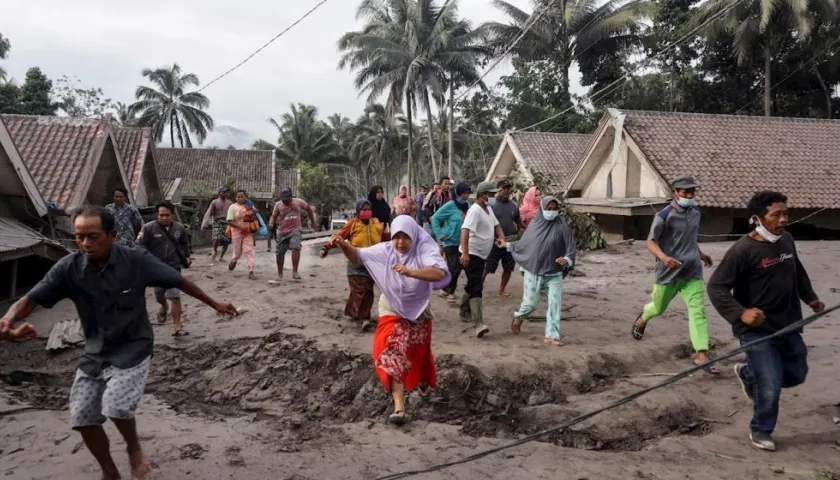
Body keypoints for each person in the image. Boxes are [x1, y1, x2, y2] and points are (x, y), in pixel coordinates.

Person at [0, 206, 237, 480]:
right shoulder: (69, 268)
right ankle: (109, 471)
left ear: (112, 234)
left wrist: (215, 303)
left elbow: (179, 281)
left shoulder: (136, 261)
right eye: (79, 237)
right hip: (96, 350)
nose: (86, 244)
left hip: (134, 347)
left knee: (115, 404)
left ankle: (134, 449)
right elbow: (32, 297)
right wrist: (8, 319)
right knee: (82, 416)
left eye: (93, 236)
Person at [707, 191, 824, 452]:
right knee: (770, 382)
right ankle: (761, 428)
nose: (783, 220)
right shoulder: (742, 250)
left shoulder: (787, 240)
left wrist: (811, 298)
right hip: (755, 329)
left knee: (797, 373)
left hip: (789, 323)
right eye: (776, 215)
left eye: (785, 214)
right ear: (757, 219)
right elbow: (716, 288)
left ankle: (748, 374)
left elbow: (797, 271)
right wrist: (741, 313)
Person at [328, 216, 448, 425]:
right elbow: (356, 255)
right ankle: (399, 408)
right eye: (397, 237)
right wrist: (343, 243)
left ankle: (421, 381)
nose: (400, 243)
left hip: (419, 309)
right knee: (393, 350)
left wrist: (411, 271)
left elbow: (439, 273)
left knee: (417, 351)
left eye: (405, 238)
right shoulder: (385, 250)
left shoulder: (424, 249)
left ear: (414, 236)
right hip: (391, 307)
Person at [629, 176, 717, 372]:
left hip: (692, 270)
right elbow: (650, 242)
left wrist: (701, 255)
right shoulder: (663, 216)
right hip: (668, 272)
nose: (689, 195)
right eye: (685, 192)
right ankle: (643, 317)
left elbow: (690, 238)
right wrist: (664, 257)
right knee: (658, 308)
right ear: (675, 193)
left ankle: (701, 353)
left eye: (692, 192)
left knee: (698, 311)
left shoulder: (695, 213)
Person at [502, 196, 576, 346]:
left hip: (554, 273)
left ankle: (552, 336)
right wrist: (507, 245)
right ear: (542, 209)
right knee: (530, 304)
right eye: (549, 208)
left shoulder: (562, 226)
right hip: (534, 271)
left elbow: (571, 247)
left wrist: (566, 260)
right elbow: (524, 245)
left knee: (555, 304)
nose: (552, 211)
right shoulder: (534, 225)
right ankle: (519, 316)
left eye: (555, 209)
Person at [320, 199, 388, 332]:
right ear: (358, 211)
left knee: (367, 290)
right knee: (361, 290)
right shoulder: (352, 224)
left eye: (369, 209)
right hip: (356, 262)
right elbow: (338, 236)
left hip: (373, 262)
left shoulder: (376, 223)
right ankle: (365, 319)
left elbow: (384, 237)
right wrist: (326, 248)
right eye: (363, 210)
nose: (366, 212)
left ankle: (357, 313)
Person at [137, 201, 192, 336]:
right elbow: (139, 245)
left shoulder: (179, 229)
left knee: (174, 295)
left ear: (172, 215)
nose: (164, 218)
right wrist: (148, 259)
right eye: (161, 215)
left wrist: (187, 256)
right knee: (160, 295)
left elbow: (185, 245)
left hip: (173, 267)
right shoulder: (148, 228)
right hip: (155, 268)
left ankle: (177, 327)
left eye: (167, 215)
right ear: (157, 215)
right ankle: (163, 306)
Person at [459, 181, 505, 337]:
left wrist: (501, 238)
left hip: (482, 254)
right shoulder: (475, 211)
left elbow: (496, 225)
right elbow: (465, 231)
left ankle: (464, 309)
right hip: (471, 253)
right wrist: (465, 253)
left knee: (474, 282)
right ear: (481, 195)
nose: (493, 197)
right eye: (490, 194)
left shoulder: (488, 209)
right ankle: (478, 323)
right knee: (477, 285)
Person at [431, 182, 471, 303]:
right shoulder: (450, 205)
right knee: (455, 266)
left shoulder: (468, 206)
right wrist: (440, 234)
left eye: (468, 193)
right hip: (450, 241)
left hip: (462, 241)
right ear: (458, 193)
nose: (466, 195)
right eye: (464, 193)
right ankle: (449, 291)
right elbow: (434, 218)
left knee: (454, 267)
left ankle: (445, 288)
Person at [485, 179, 526, 297]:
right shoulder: (491, 205)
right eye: (504, 188)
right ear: (498, 190)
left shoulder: (513, 206)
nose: (507, 191)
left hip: (508, 242)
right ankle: (478, 287)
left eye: (508, 188)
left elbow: (518, 221)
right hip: (494, 242)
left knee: (508, 268)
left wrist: (530, 229)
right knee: (488, 267)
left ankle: (502, 289)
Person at [268, 187, 315, 280]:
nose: (285, 201)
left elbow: (309, 209)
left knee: (296, 247)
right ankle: (280, 274)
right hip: (282, 231)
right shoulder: (278, 205)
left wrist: (313, 222)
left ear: (291, 196)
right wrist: (271, 223)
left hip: (295, 230)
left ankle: (295, 272)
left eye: (287, 200)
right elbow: (273, 217)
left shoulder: (299, 202)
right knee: (280, 253)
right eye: (283, 200)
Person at [227, 189, 258, 280]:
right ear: (235, 198)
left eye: (242, 197)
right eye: (238, 197)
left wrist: (253, 211)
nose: (240, 198)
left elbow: (255, 214)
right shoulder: (232, 207)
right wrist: (240, 227)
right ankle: (234, 259)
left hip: (247, 232)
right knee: (238, 252)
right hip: (236, 232)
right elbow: (229, 221)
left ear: (245, 197)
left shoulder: (249, 205)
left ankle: (251, 271)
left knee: (249, 250)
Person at [202, 187, 233, 261]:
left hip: (227, 222)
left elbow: (234, 214)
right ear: (219, 193)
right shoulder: (214, 202)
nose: (225, 194)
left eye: (226, 192)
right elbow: (209, 213)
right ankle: (215, 251)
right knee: (216, 238)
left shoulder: (230, 203)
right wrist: (204, 224)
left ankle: (221, 256)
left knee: (226, 241)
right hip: (217, 222)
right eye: (224, 192)